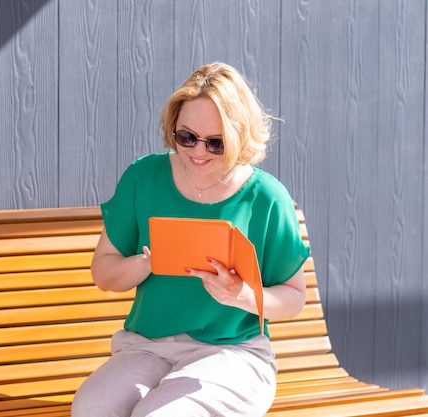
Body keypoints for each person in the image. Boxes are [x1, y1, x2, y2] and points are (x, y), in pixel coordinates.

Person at [71, 62, 311, 417]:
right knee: (92, 410)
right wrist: (146, 263)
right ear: (173, 128)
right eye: (187, 137)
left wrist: (241, 295)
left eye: (216, 143)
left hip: (233, 353)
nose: (199, 152)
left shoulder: (266, 197)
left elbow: (293, 299)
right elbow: (103, 272)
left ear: (239, 136)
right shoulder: (144, 177)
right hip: (146, 348)